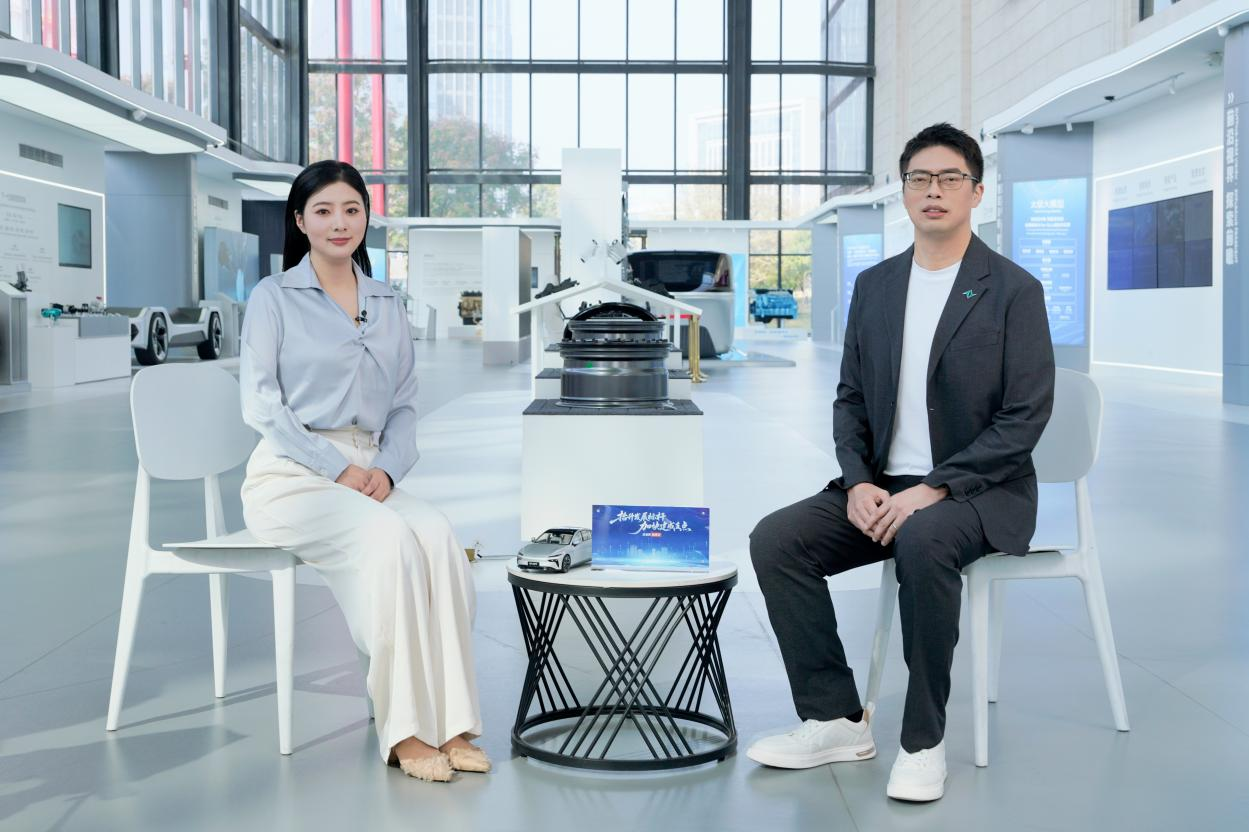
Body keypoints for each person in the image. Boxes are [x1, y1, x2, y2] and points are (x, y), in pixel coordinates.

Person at [747, 123, 1055, 802]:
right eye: (919, 179)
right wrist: (859, 481)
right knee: (777, 539)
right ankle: (835, 719)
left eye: (949, 178)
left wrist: (937, 487)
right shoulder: (877, 286)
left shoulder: (1012, 289)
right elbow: (851, 398)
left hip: (979, 492)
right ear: (904, 192)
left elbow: (1024, 418)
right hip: (884, 488)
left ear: (976, 192)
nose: (933, 190)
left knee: (922, 538)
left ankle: (922, 742)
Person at [239, 160, 487, 783]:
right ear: (300, 221)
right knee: (390, 539)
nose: (339, 222)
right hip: (290, 475)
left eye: (351, 209)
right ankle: (405, 730)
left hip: (371, 468)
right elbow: (262, 406)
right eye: (323, 211)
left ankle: (453, 722)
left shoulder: (386, 300)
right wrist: (335, 468)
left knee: (437, 537)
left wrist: (389, 470)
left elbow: (404, 402)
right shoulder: (273, 297)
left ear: (367, 218)